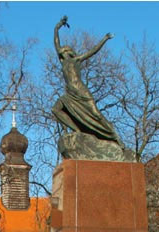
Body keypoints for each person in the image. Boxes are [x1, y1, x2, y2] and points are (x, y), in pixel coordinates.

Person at [52, 15, 123, 147]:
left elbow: (93, 51)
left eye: (64, 49)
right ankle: (77, 130)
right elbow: (56, 42)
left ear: (69, 52)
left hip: (81, 92)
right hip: (70, 94)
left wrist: (104, 39)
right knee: (56, 109)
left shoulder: (76, 60)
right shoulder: (63, 62)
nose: (61, 51)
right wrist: (58, 26)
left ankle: (115, 137)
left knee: (96, 115)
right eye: (61, 50)